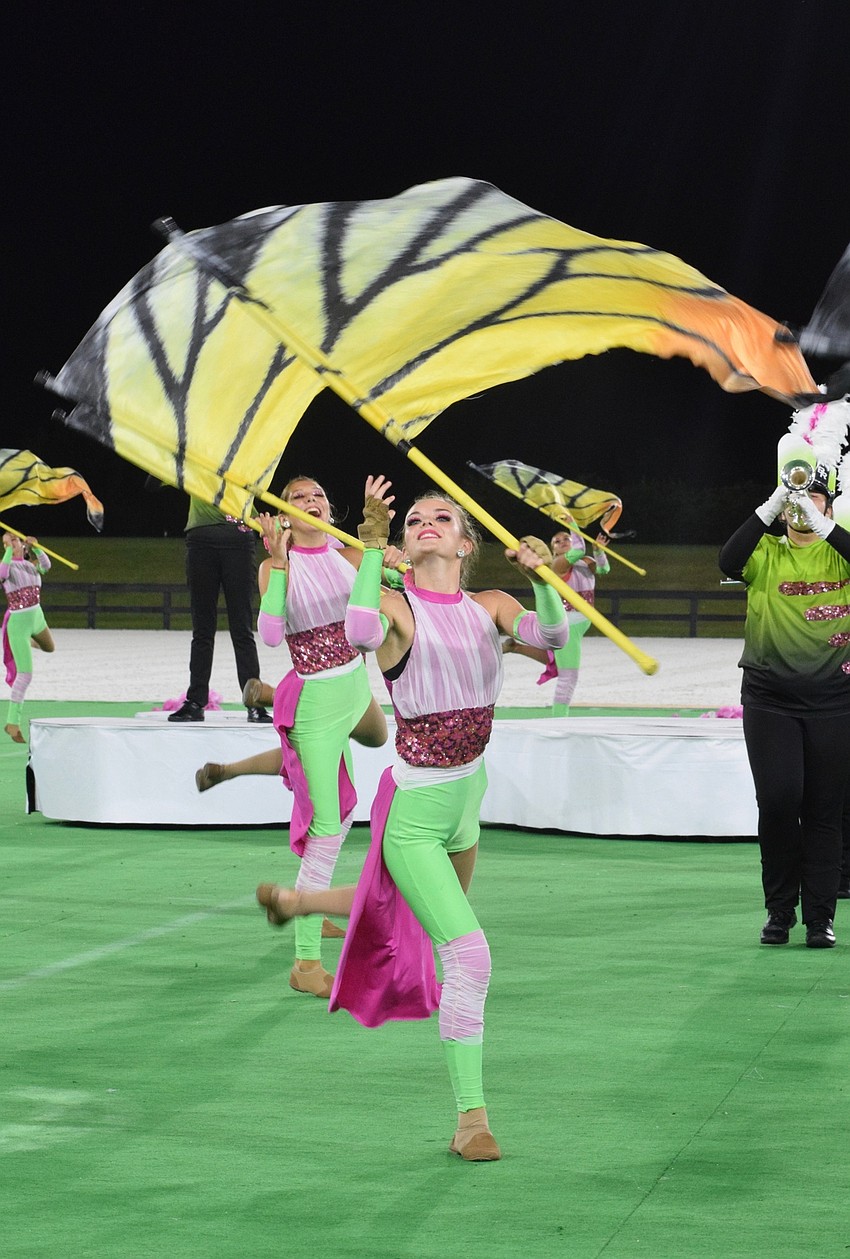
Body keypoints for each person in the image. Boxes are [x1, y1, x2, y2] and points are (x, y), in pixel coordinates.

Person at [257, 478, 569, 1161]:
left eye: (444, 516)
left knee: (411, 919)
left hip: (468, 801)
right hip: (417, 814)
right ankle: (470, 1118)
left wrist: (543, 576)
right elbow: (360, 630)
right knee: (470, 954)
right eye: (418, 518)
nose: (429, 522)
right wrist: (369, 550)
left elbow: (554, 636)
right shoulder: (396, 607)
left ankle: (302, 901)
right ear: (404, 542)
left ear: (465, 542)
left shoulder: (491, 604)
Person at [238, 476, 390, 997]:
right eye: (299, 497)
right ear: (282, 513)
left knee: (377, 741)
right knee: (329, 827)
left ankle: (314, 897)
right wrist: (278, 563)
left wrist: (383, 553)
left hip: (357, 688)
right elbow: (273, 635)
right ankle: (306, 965)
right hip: (319, 706)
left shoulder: (349, 551)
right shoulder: (274, 566)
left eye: (320, 495)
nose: (312, 502)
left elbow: (386, 596)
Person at [719, 474, 850, 948]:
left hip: (835, 702)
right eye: (796, 497)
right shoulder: (765, 554)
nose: (803, 505)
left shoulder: (840, 552)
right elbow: (728, 560)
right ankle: (779, 911)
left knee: (824, 811)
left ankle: (820, 918)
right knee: (777, 802)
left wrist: (823, 523)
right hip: (770, 699)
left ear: (829, 509)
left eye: (815, 497)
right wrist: (773, 503)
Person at [167, 495, 271, 723]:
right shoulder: (195, 460)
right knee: (202, 630)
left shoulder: (243, 462)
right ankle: (195, 702)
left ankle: (254, 702)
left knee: (242, 629)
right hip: (201, 541)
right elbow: (154, 480)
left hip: (239, 541)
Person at [504, 518, 610, 714]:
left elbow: (604, 569)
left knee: (560, 661)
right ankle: (558, 721)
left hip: (579, 622)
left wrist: (598, 551)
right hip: (569, 622)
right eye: (557, 541)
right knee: (568, 675)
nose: (562, 541)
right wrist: (572, 525)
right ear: (553, 550)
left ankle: (516, 646)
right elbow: (578, 549)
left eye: (566, 538)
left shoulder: (585, 562)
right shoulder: (557, 564)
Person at [1, 533, 55, 743]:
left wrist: (38, 548)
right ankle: (12, 722)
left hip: (37, 617)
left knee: (50, 647)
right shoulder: (7, 567)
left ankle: (27, 643)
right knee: (25, 675)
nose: (14, 543)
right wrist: (8, 550)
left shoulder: (30, 565)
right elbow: (2, 572)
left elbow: (46, 566)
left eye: (17, 540)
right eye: (9, 541)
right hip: (19, 624)